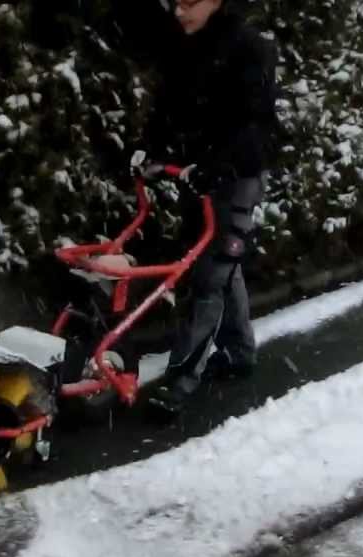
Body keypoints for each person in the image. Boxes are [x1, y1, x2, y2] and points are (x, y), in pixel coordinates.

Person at [140, 0, 278, 417]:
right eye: (175, 1)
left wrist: (220, 166)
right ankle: (239, 353)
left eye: (189, 2)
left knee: (209, 276)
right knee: (219, 262)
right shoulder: (185, 44)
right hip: (195, 175)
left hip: (235, 176)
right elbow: (166, 106)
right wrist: (148, 148)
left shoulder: (249, 47)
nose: (179, 11)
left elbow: (254, 123)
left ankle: (180, 380)